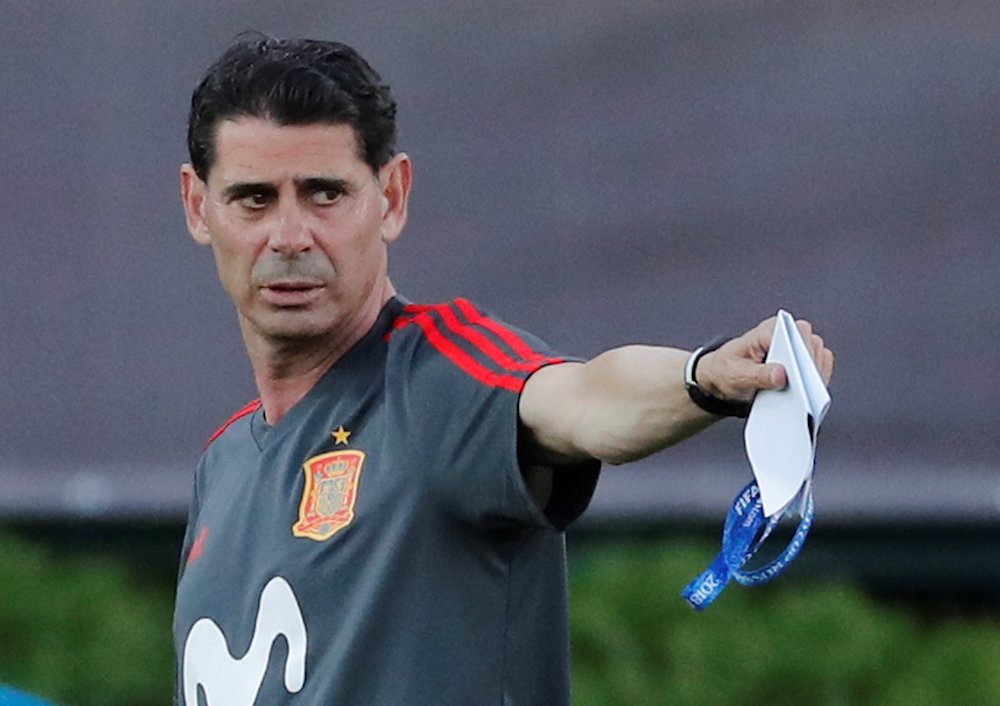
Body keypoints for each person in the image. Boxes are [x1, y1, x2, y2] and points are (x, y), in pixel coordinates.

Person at [172, 34, 834, 706]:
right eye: (253, 199)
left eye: (324, 194)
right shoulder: (222, 465)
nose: (289, 236)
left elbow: (584, 399)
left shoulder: (436, 379)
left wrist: (702, 378)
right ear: (199, 207)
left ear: (391, 197)